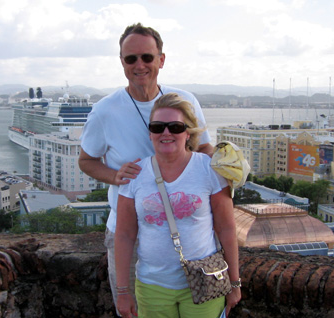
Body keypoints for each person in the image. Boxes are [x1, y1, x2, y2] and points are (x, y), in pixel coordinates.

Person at [79, 23, 214, 314]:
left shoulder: (185, 101)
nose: (139, 65)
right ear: (122, 63)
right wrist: (114, 176)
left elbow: (204, 150)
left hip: (189, 229)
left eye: (147, 57)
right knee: (132, 311)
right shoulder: (105, 110)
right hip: (129, 230)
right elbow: (86, 160)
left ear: (161, 60)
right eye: (131, 59)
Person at [115, 93, 241, 318]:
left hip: (206, 280)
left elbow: (226, 229)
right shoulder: (135, 175)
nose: (166, 133)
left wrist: (234, 283)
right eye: (157, 127)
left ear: (188, 132)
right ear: (150, 132)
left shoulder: (209, 170)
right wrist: (122, 291)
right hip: (152, 285)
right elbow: (124, 235)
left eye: (175, 126)